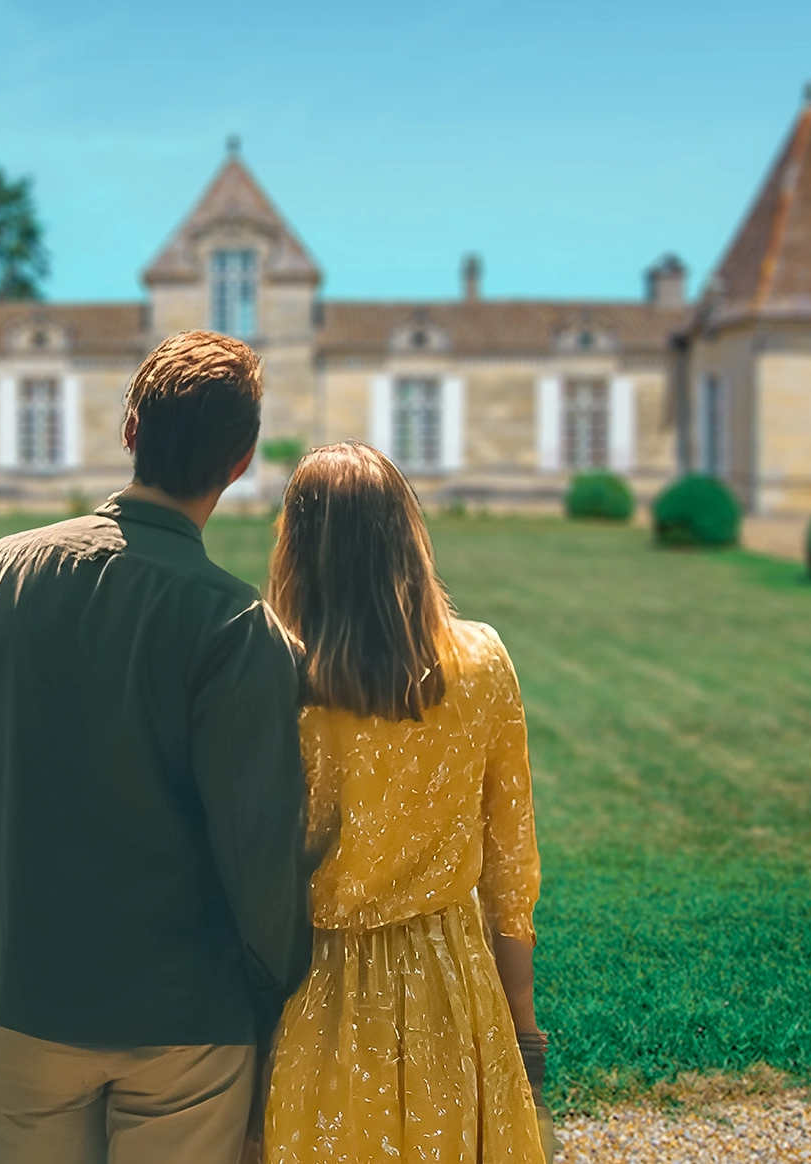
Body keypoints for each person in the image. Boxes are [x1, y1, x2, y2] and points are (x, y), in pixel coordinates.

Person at [0, 330, 311, 1164]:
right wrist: (276, 991)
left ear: (130, 428)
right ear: (242, 461)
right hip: (186, 1020)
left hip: (28, 997)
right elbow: (259, 854)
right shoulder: (235, 625)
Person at [260, 441, 553, 1163]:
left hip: (311, 990)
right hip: (450, 981)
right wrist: (522, 1022)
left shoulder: (273, 674)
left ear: (297, 547)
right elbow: (510, 863)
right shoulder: (481, 662)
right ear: (406, 536)